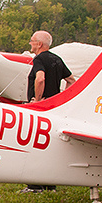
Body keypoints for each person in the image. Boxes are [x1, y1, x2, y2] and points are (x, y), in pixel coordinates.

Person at [21, 31, 73, 193]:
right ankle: (50, 185)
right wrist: (62, 100)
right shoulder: (56, 59)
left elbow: (40, 78)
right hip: (54, 109)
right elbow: (71, 80)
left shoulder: (39, 59)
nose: (30, 43)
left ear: (40, 44)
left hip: (41, 109)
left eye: (32, 41)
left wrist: (37, 99)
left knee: (35, 145)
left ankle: (35, 186)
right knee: (49, 146)